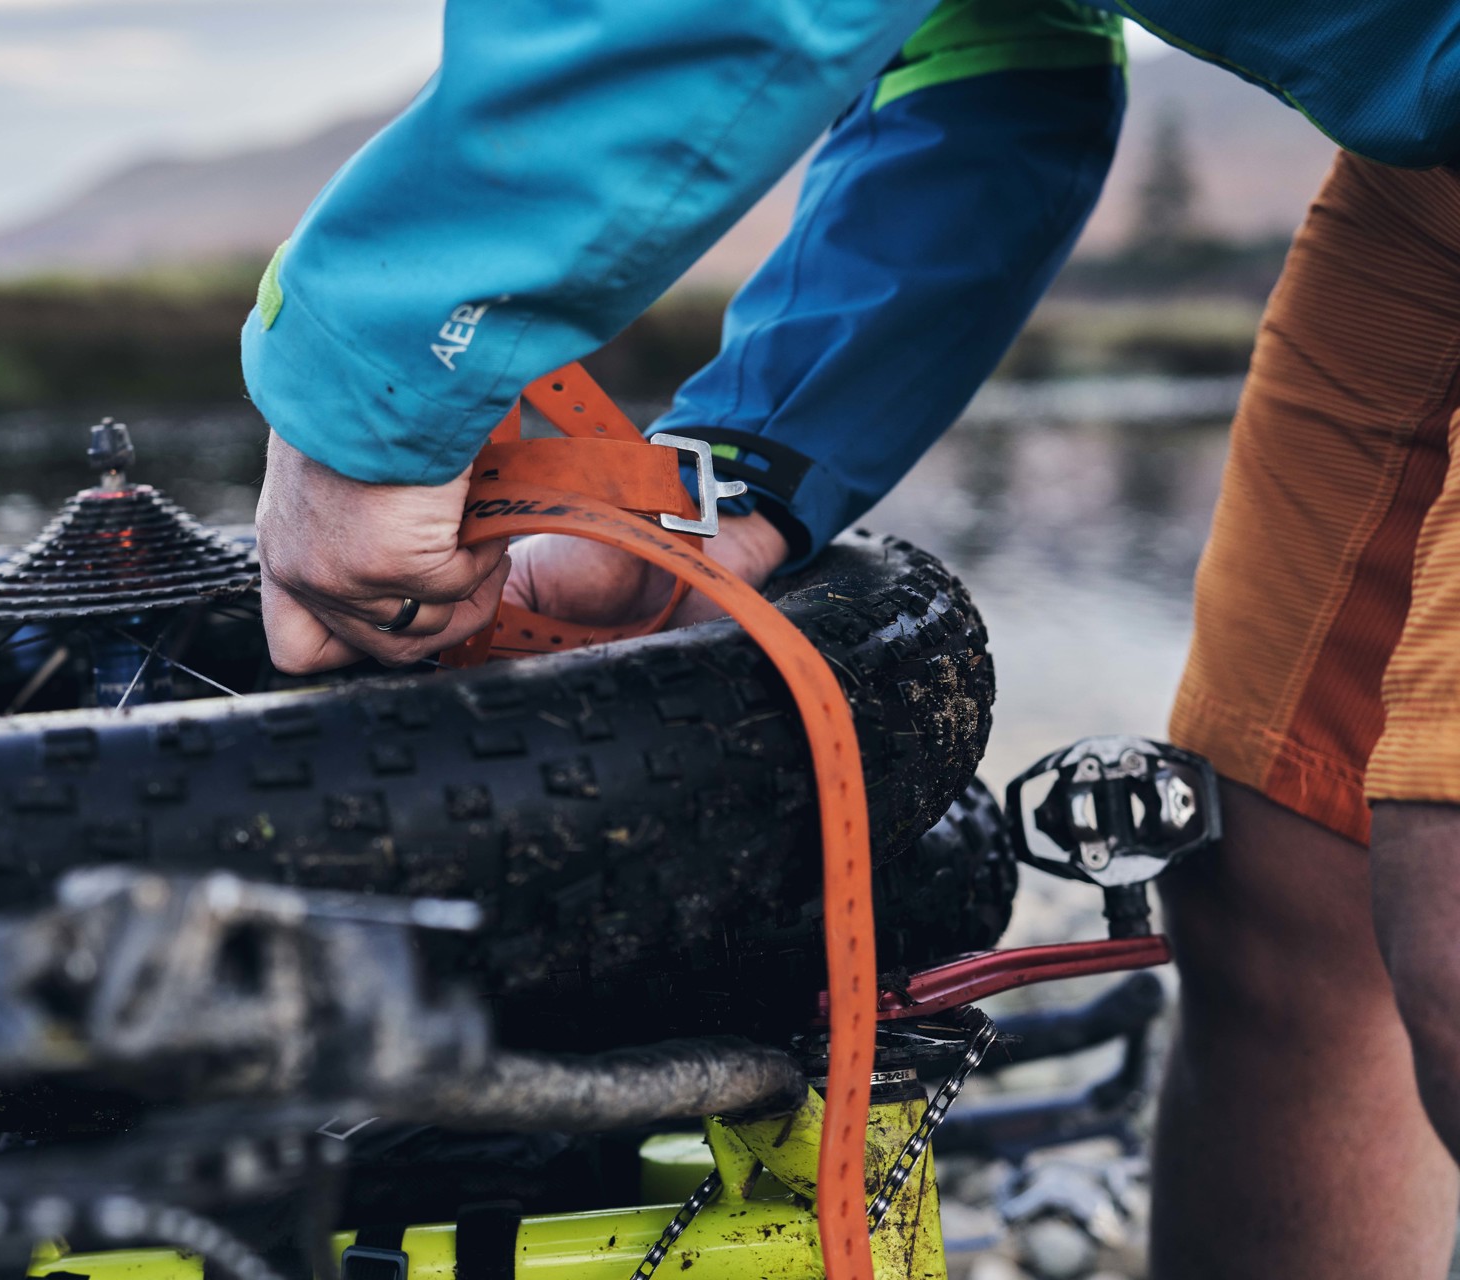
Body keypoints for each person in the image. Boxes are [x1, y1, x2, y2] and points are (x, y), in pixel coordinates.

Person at [243, 1, 1460, 1275]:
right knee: (1290, 895)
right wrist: (741, 470)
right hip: (1419, 159)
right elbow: (994, 56)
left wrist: (372, 386)